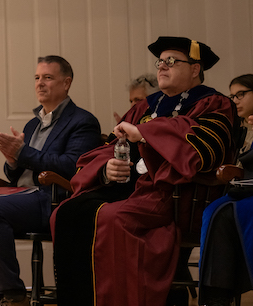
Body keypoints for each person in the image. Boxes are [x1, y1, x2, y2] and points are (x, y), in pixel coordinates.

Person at [51, 36, 237, 306]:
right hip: (131, 189)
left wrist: (146, 133)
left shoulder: (214, 104)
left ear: (195, 69)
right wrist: (106, 168)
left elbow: (206, 150)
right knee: (64, 213)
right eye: (160, 61)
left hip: (173, 194)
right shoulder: (146, 106)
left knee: (113, 218)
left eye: (171, 61)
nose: (161, 67)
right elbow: (112, 144)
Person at [0, 55, 102, 306]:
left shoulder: (82, 122)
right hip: (21, 194)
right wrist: (12, 160)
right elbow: (16, 173)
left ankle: (12, 293)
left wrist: (23, 153)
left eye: (48, 78)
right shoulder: (33, 124)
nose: (40, 83)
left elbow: (71, 167)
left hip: (52, 199)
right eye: (37, 78)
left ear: (66, 83)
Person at [197, 74, 253, 306]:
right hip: (246, 188)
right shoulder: (239, 126)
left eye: (241, 94)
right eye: (232, 96)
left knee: (225, 212)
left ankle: (219, 294)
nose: (235, 100)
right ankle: (215, 295)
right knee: (215, 210)